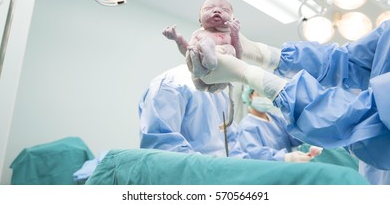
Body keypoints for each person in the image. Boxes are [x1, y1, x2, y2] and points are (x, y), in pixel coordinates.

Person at [188, 20, 390, 184]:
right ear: (249, 97)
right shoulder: (250, 126)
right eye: (258, 93)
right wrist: (262, 53)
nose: (263, 98)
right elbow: (344, 60)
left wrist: (252, 75)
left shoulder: (274, 121)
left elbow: (373, 117)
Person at [138, 64, 246, 158]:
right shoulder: (170, 85)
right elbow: (164, 151)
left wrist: (237, 170)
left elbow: (233, 143)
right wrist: (212, 170)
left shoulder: (219, 92)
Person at [162, 0, 242, 93]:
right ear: (200, 20)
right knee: (194, 50)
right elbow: (188, 52)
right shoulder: (199, 34)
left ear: (232, 20)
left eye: (225, 10)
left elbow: (238, 56)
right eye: (208, 9)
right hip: (200, 74)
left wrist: (235, 35)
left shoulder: (230, 36)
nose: (217, 10)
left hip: (221, 74)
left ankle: (211, 61)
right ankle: (206, 59)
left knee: (230, 49)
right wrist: (178, 39)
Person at [237, 86, 321, 162]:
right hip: (269, 173)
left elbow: (295, 136)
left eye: (267, 95)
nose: (265, 98)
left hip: (284, 169)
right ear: (250, 96)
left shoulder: (276, 119)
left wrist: (312, 139)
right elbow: (255, 155)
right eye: (260, 94)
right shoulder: (247, 126)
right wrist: (284, 157)